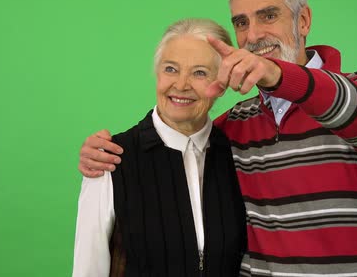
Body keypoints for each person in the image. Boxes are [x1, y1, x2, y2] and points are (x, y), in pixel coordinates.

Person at [78, 0, 357, 276]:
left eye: (268, 15)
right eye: (242, 23)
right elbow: (183, 135)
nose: (254, 34)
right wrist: (110, 150)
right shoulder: (233, 127)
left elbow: (351, 109)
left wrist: (276, 74)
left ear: (303, 20)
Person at [72, 18, 247, 276]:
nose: (181, 84)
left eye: (199, 72)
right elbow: (89, 270)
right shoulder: (111, 159)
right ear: (157, 74)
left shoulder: (238, 156)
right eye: (170, 69)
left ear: (221, 84)